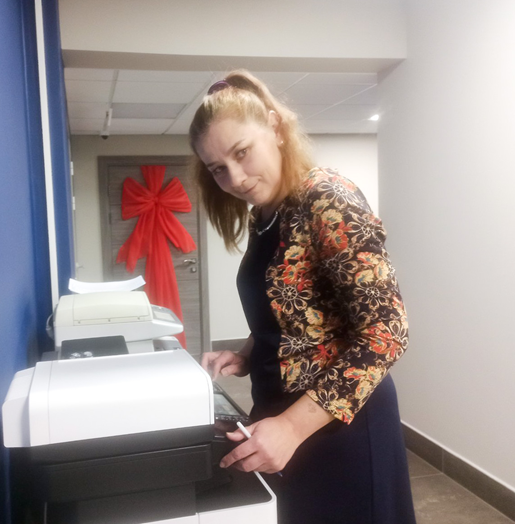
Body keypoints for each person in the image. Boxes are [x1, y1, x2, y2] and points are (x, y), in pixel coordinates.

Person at [189, 70, 416, 524]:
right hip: (280, 416)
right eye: (218, 168)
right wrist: (249, 353)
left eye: (241, 152)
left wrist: (292, 427)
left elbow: (386, 332)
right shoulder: (265, 214)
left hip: (340, 424)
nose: (235, 177)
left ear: (275, 128)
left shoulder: (327, 198)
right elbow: (295, 310)